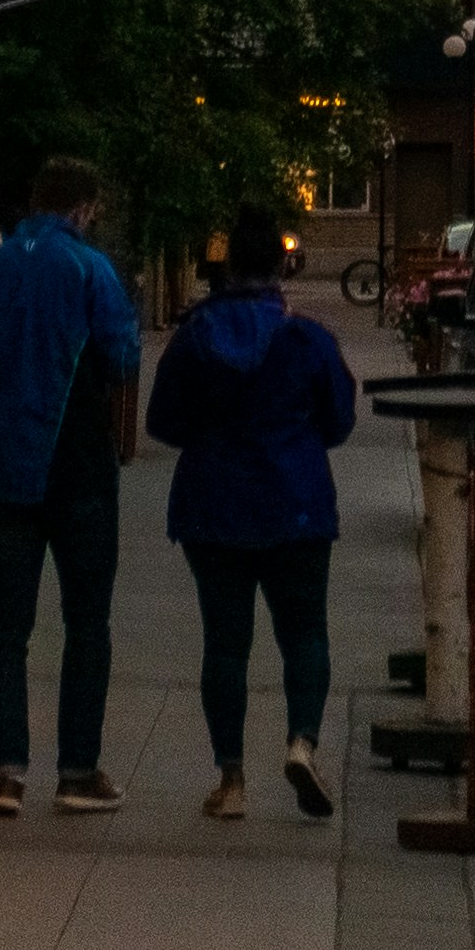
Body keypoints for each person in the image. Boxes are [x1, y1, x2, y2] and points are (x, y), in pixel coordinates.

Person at [0, 152, 144, 816]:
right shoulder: (89, 268)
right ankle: (77, 768)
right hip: (79, 467)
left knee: (6, 626)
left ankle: (7, 772)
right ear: (84, 207)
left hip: (2, 473)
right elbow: (121, 354)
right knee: (86, 622)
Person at [146, 221, 361, 820]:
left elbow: (162, 421)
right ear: (282, 268)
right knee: (304, 633)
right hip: (296, 501)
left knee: (225, 644)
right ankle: (301, 741)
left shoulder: (194, 337)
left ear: (226, 266)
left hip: (212, 504)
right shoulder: (308, 338)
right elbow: (340, 423)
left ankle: (232, 779)